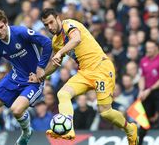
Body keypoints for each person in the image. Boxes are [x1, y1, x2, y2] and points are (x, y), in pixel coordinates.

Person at [29, 8, 138, 145]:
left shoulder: (69, 25)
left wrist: (60, 52)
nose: (50, 27)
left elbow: (76, 39)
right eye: (46, 25)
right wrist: (41, 76)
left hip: (101, 68)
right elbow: (55, 64)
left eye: (51, 22)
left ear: (58, 18)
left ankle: (130, 128)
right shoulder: (56, 42)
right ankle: (69, 129)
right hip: (84, 73)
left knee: (105, 112)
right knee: (62, 94)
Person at [0, 9, 52, 145]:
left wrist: (40, 68)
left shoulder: (20, 32)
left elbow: (47, 43)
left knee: (16, 110)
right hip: (14, 77)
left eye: (1, 27)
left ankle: (27, 132)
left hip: (33, 81)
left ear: (6, 23)